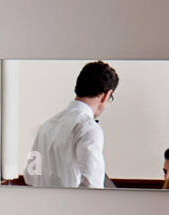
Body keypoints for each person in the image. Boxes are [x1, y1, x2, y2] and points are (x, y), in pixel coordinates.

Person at [24, 60, 118, 188]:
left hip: (42, 204)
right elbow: (94, 187)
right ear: (107, 95)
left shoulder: (46, 126)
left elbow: (30, 176)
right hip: (74, 206)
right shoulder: (89, 129)